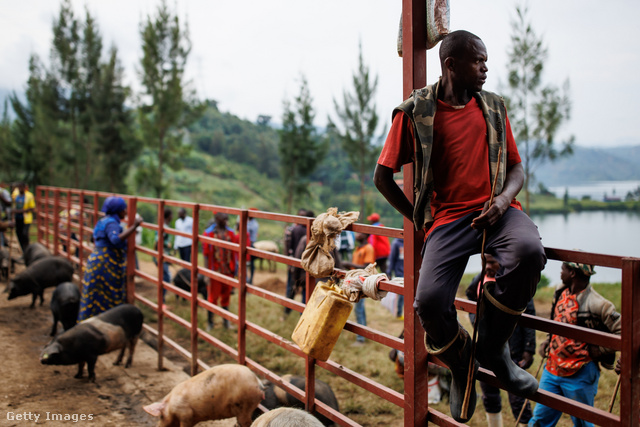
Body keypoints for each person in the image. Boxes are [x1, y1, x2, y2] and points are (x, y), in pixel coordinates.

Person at [373, 30, 546, 422]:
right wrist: (419, 219)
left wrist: (503, 201)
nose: (486, 67)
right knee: (429, 302)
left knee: (530, 252)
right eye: (478, 60)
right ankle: (461, 360)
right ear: (451, 64)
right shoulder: (415, 112)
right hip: (448, 219)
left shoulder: (494, 108)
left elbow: (516, 166)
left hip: (499, 212)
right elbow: (382, 176)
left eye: (486, 60)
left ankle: (493, 349)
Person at [528, 261, 621, 427]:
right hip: (553, 368)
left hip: (581, 371)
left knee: (583, 422)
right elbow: (557, 320)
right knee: (540, 420)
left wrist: (600, 350)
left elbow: (623, 332)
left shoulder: (599, 305)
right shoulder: (559, 292)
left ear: (573, 273)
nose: (560, 272)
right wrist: (550, 341)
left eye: (563, 268)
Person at [466, 254, 536, 427]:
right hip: (484, 346)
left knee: (517, 393)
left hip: (513, 348)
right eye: (485, 261)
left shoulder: (515, 282)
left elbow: (529, 316)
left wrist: (529, 349)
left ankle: (524, 423)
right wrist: (475, 318)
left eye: (492, 262)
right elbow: (470, 296)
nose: (488, 266)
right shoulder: (479, 281)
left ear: (504, 260)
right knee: (489, 391)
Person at [78, 197, 143, 321]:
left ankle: (89, 323)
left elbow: (94, 238)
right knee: (109, 294)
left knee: (95, 295)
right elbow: (115, 239)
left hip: (98, 261)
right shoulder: (111, 223)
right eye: (123, 209)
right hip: (105, 264)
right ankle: (109, 322)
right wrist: (134, 226)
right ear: (118, 210)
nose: (125, 211)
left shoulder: (103, 221)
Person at [203, 212, 237, 330]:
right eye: (223, 217)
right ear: (217, 218)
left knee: (226, 297)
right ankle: (210, 323)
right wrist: (207, 273)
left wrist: (235, 271)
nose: (226, 219)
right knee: (213, 298)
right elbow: (206, 255)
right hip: (215, 272)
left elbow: (234, 254)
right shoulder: (208, 233)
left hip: (228, 271)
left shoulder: (231, 233)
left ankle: (226, 323)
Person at [343, 232, 376, 345]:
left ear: (366, 235)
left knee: (359, 309)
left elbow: (367, 266)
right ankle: (364, 333)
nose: (356, 234)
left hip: (363, 281)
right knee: (360, 309)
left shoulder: (368, 248)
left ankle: (361, 339)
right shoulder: (358, 248)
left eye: (359, 233)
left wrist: (348, 264)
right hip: (355, 281)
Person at [283, 209, 313, 318]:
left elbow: (287, 246)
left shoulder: (292, 229)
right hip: (305, 265)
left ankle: (287, 310)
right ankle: (302, 314)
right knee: (306, 289)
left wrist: (288, 262)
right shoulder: (310, 231)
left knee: (291, 288)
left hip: (294, 264)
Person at [155, 207, 173, 304]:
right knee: (165, 278)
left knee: (165, 277)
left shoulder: (164, 226)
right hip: (161, 256)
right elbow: (158, 243)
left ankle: (162, 301)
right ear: (169, 216)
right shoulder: (164, 228)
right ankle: (161, 302)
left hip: (163, 255)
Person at [12, 182, 36, 253]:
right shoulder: (15, 195)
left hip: (26, 218)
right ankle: (23, 250)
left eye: (21, 187)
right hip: (18, 218)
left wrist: (21, 211)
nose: (20, 189)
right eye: (19, 187)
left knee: (24, 234)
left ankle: (27, 249)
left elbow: (32, 208)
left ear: (24, 188)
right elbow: (13, 204)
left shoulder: (29, 196)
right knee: (18, 233)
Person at [386, 237, 405, 319]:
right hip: (399, 272)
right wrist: (389, 272)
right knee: (402, 294)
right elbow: (392, 258)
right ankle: (399, 313)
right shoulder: (396, 243)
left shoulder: (411, 241)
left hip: (409, 272)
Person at [247, 208, 259, 284]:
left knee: (251, 264)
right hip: (245, 242)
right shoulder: (247, 222)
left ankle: (250, 280)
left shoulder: (254, 224)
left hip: (250, 243)